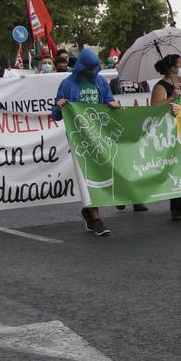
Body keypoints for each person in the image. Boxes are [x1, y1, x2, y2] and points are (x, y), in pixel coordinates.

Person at [51, 48, 120, 237]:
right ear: (80, 67)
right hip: (78, 139)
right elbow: (55, 115)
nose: (92, 71)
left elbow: (109, 101)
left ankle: (91, 211)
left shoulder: (99, 82)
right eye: (89, 68)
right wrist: (59, 105)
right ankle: (96, 218)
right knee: (87, 178)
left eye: (94, 68)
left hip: (100, 136)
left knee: (106, 172)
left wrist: (114, 104)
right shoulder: (67, 84)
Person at [151, 54, 181, 221]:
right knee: (175, 165)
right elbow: (154, 107)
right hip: (170, 132)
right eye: (179, 62)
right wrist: (171, 98)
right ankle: (177, 206)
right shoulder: (161, 86)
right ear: (172, 67)